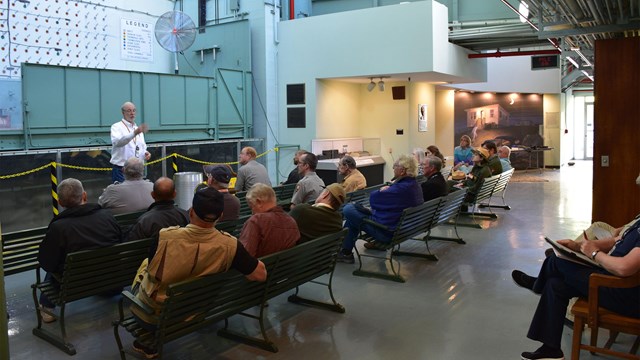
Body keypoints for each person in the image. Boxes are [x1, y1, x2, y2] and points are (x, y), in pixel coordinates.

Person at [131, 187, 267, 357]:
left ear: (191, 212)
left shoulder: (165, 237)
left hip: (155, 317)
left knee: (145, 265)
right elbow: (260, 274)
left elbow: (153, 270)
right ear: (221, 216)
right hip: (197, 311)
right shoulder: (231, 246)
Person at [512, 217, 640, 360]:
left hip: (626, 292)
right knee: (555, 284)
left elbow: (624, 268)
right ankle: (550, 349)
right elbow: (615, 241)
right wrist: (577, 246)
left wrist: (594, 254)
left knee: (555, 262)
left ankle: (537, 286)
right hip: (611, 279)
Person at [37, 178, 122, 322]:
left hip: (74, 283)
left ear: (60, 202)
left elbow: (46, 263)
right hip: (109, 279)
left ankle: (47, 308)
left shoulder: (58, 227)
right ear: (84, 196)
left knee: (54, 265)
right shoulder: (107, 216)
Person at [337, 154, 423, 263]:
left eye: (395, 166)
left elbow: (373, 199)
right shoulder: (414, 185)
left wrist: (384, 190)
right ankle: (345, 252)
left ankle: (345, 252)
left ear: (402, 171)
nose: (392, 168)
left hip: (386, 232)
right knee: (353, 217)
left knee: (348, 210)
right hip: (402, 228)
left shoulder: (399, 189)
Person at [127, 177, 189, 259]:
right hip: (181, 261)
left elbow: (132, 248)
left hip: (152, 266)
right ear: (174, 194)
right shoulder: (185, 215)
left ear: (152, 195)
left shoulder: (144, 221)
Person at [238, 183, 300, 257]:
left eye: (252, 207)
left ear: (259, 202)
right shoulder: (291, 221)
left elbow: (244, 257)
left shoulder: (256, 221)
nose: (252, 212)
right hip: (285, 266)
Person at [110, 102, 150, 184]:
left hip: (137, 170)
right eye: (129, 111)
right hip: (121, 169)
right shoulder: (116, 127)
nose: (132, 113)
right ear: (123, 112)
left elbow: (142, 146)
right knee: (122, 195)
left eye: (134, 110)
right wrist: (134, 133)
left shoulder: (137, 128)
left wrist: (145, 152)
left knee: (136, 195)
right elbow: (118, 142)